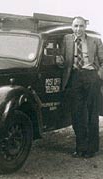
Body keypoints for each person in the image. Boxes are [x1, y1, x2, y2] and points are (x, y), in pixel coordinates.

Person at [60, 16, 103, 158]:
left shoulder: (95, 41)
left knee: (92, 113)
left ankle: (91, 149)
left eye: (81, 26)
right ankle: (80, 148)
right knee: (77, 114)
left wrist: (98, 76)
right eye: (76, 26)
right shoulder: (66, 39)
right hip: (74, 77)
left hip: (91, 76)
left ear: (85, 27)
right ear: (72, 27)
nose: (78, 29)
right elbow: (62, 59)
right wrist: (59, 61)